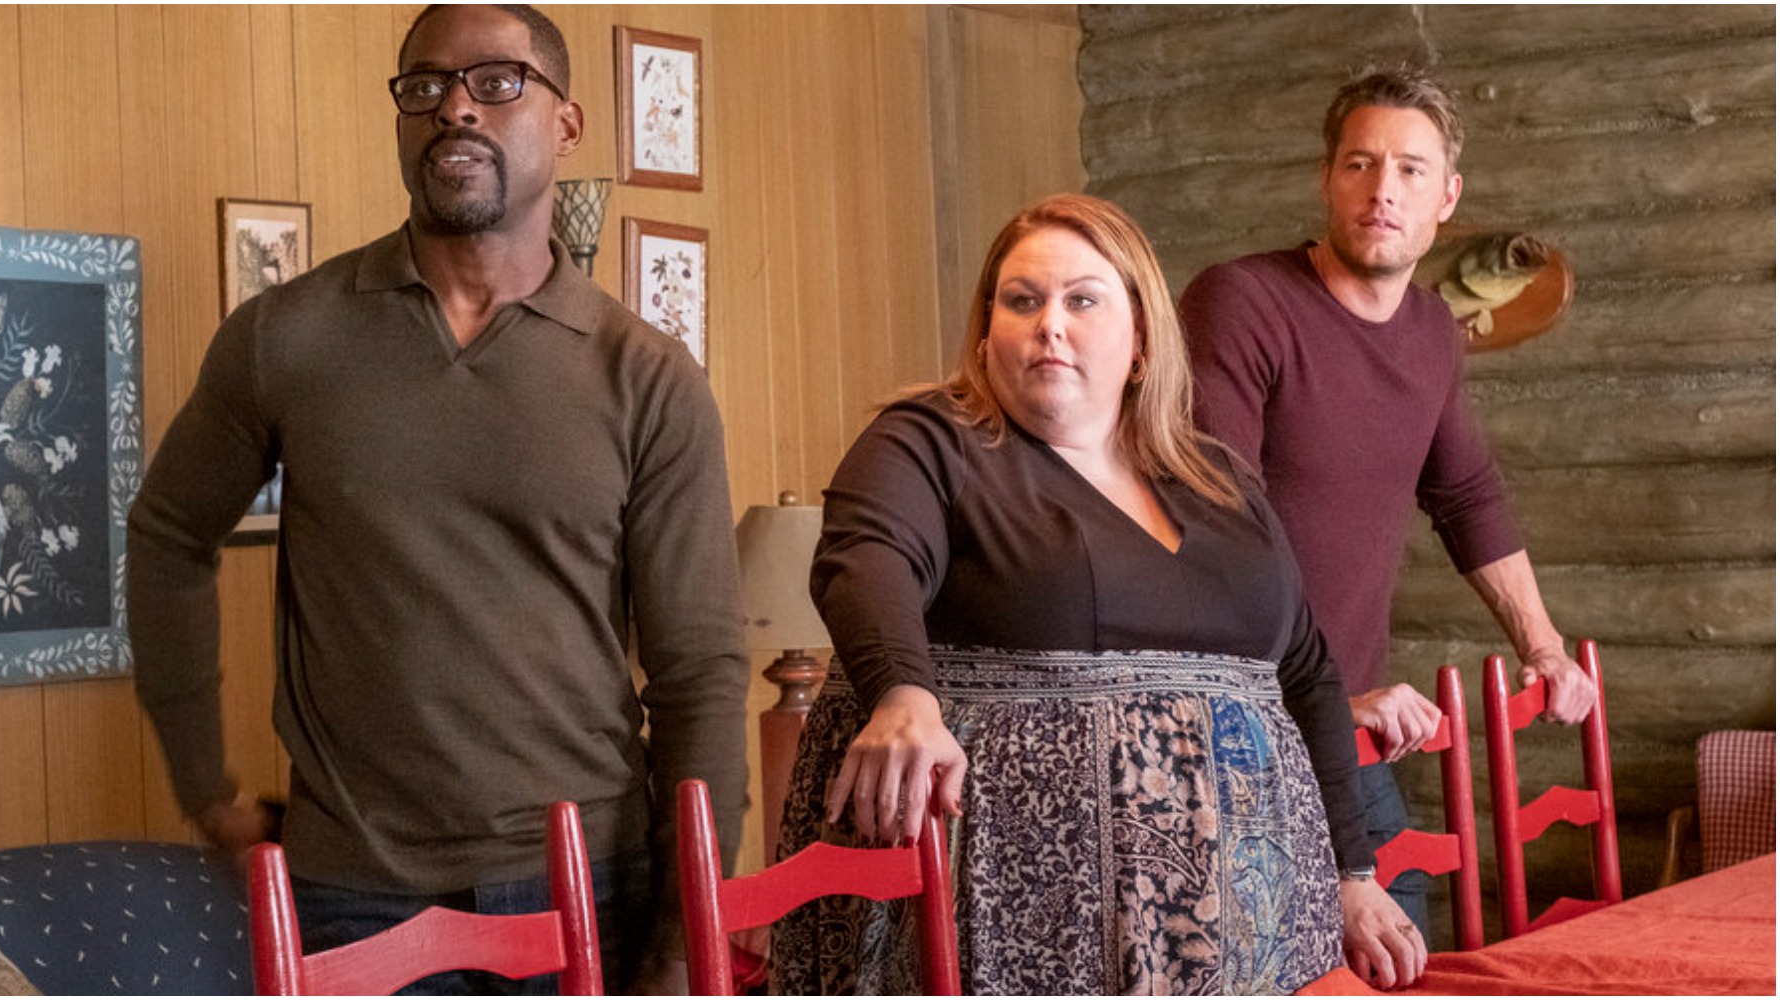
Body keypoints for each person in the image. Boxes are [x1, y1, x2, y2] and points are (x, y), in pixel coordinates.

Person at [126, 4, 748, 993]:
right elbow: (166, 533)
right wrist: (204, 784)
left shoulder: (647, 375)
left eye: (496, 82)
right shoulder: (286, 336)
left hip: (588, 883)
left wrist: (685, 938)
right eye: (424, 87)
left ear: (565, 123)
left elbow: (698, 675)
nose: (455, 108)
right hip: (352, 891)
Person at [771, 194, 1422, 995]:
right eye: (1022, 300)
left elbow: (1309, 674)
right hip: (1007, 942)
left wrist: (1351, 874)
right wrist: (903, 693)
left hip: (1257, 954)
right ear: (986, 331)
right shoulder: (933, 440)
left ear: (1141, 338)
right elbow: (865, 555)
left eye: (1082, 299)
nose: (1050, 322)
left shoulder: (1217, 480)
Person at [1180, 67, 1596, 941]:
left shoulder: (1432, 333)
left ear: (1447, 197)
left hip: (1347, 730)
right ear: (1326, 180)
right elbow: (1223, 513)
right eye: (1361, 164)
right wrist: (1335, 695)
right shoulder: (1241, 302)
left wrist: (1545, 648)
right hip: (1236, 727)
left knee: (1402, 953)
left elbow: (1467, 492)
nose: (1383, 190)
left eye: (1410, 169)